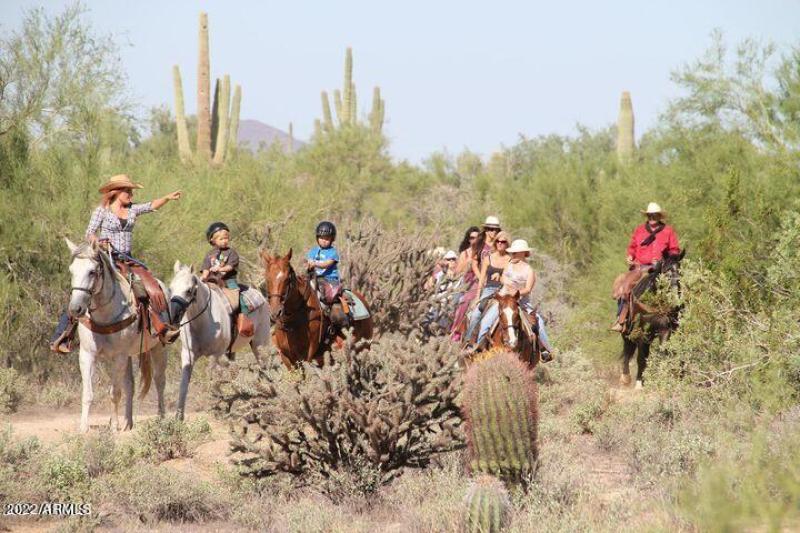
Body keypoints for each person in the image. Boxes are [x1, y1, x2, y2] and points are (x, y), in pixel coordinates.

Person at [50, 174, 182, 353]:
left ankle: (160, 328)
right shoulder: (102, 211)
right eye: (127, 191)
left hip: (127, 259)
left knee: (151, 286)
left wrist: (166, 198)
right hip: (106, 259)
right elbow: (89, 233)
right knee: (82, 289)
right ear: (116, 192)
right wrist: (99, 241)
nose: (130, 194)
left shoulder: (133, 210)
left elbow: (150, 206)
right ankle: (64, 336)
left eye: (131, 191)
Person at [473, 239, 553, 360]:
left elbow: (528, 289)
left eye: (515, 253)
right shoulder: (509, 265)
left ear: (523, 253)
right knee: (486, 322)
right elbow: (503, 278)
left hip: (521, 302)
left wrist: (516, 291)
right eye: (512, 253)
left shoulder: (529, 270)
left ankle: (545, 350)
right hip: (504, 300)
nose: (512, 255)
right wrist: (504, 282)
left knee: (539, 323)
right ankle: (479, 347)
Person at [610, 202, 681, 332]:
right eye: (650, 216)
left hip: (660, 268)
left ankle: (678, 319)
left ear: (659, 216)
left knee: (677, 285)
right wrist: (630, 256)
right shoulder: (640, 230)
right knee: (625, 287)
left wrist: (666, 259)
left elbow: (674, 249)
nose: (652, 218)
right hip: (639, 267)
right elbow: (632, 247)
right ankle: (621, 319)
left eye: (655, 215)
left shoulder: (668, 231)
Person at [450, 218, 501, 342]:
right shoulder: (479, 243)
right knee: (466, 300)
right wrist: (480, 278)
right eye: (490, 229)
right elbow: (474, 262)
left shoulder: (499, 244)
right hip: (478, 279)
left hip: (495, 281)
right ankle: (457, 332)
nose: (492, 232)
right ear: (486, 229)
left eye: (495, 229)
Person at [201, 222, 253, 336]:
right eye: (221, 239)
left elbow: (230, 267)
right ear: (212, 240)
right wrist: (203, 277)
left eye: (226, 238)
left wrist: (220, 269)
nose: (225, 241)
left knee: (239, 298)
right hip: (213, 282)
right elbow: (205, 268)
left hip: (229, 281)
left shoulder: (231, 253)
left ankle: (244, 318)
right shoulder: (209, 255)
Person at [463, 231, 511, 344]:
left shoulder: (510, 260)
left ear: (507, 244)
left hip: (503, 292)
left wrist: (500, 277)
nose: (500, 243)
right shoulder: (487, 259)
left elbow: (509, 279)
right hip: (488, 290)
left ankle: (481, 343)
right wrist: (477, 297)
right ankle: (468, 341)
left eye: (503, 242)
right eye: (498, 241)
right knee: (474, 315)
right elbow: (481, 280)